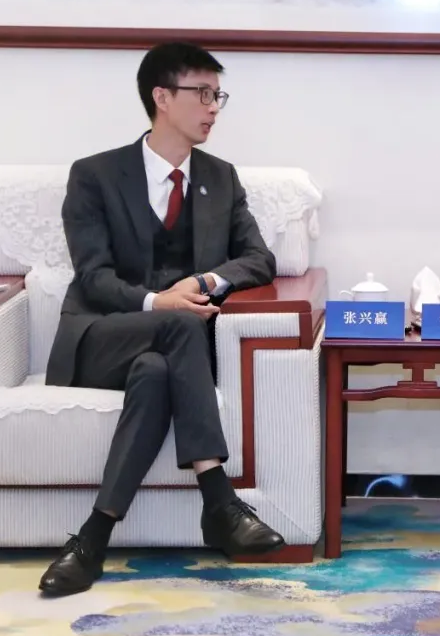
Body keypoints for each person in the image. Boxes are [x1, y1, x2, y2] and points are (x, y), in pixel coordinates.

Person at [38, 42, 283, 597]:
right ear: (162, 97)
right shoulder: (95, 175)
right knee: (178, 325)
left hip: (168, 355)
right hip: (101, 338)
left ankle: (92, 539)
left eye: (218, 95)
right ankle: (219, 499)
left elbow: (259, 259)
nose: (214, 107)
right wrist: (157, 303)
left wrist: (201, 283)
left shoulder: (221, 177)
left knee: (155, 371)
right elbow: (93, 277)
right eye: (203, 93)